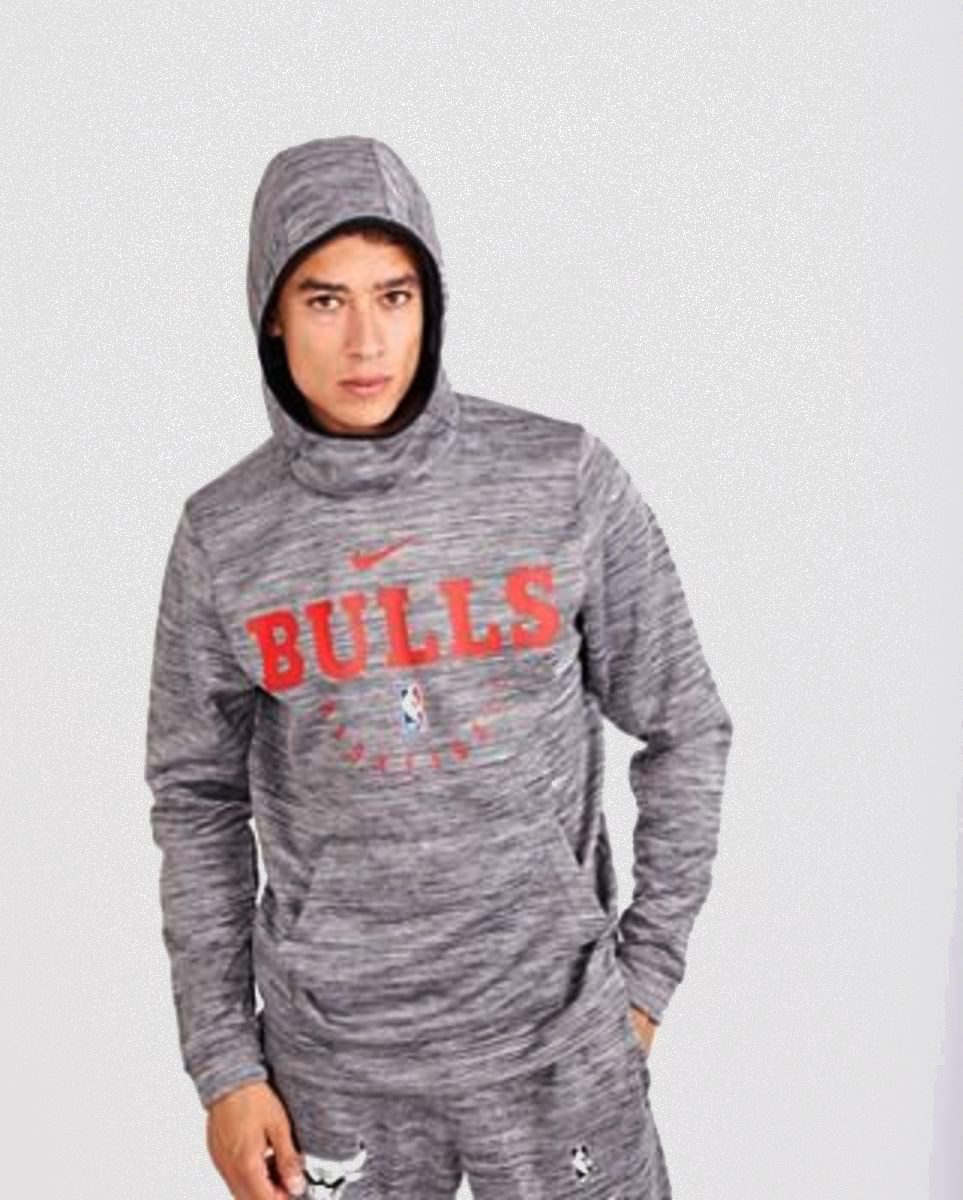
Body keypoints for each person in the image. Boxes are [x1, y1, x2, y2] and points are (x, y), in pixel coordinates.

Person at [144, 134, 733, 1200]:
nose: (366, 340)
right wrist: (225, 1067)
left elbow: (685, 723)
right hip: (331, 1076)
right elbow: (196, 801)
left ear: (433, 303)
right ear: (272, 314)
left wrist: (644, 977)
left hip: (559, 1052)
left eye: (395, 295)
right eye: (325, 300)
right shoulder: (224, 537)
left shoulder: (562, 479)